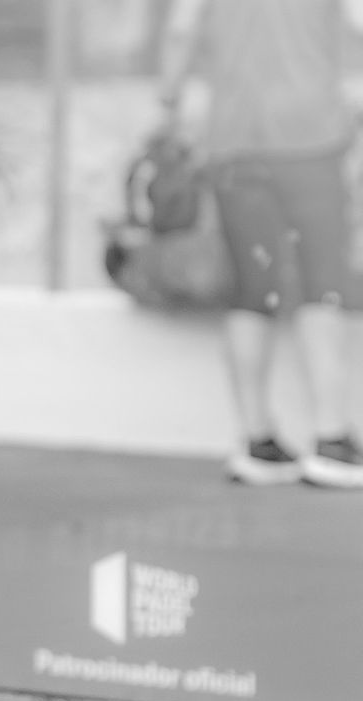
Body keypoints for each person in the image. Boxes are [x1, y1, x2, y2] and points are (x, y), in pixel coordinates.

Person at [158, 0, 363, 487]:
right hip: (310, 135)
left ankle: (257, 441)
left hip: (233, 141)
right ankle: (332, 441)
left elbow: (181, 29)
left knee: (253, 287)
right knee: (322, 282)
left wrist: (168, 102)